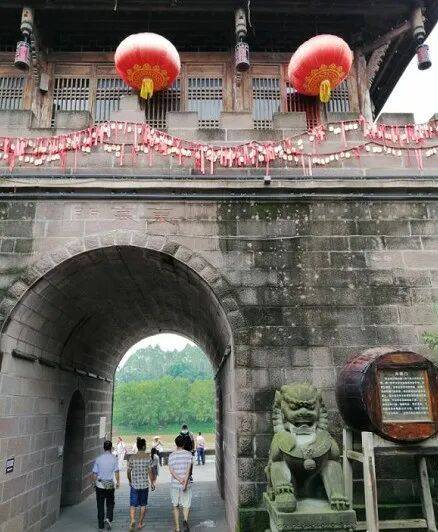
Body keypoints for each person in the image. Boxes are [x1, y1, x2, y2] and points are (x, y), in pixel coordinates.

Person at [127, 437, 155, 531]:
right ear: (143, 446)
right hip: (144, 485)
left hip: (134, 485)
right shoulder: (148, 457)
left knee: (133, 504)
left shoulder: (132, 457)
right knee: (143, 505)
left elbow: (128, 471)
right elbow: (150, 472)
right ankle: (140, 524)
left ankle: (132, 520)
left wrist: (130, 480)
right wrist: (152, 483)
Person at [92, 440, 120, 531]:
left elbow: (95, 473)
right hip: (110, 485)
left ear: (103, 448)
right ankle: (108, 518)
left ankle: (100, 526)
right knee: (110, 503)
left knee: (100, 505)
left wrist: (93, 483)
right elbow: (116, 472)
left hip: (100, 485)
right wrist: (118, 482)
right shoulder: (114, 459)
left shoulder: (98, 459)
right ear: (111, 448)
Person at [168, 435, 193, 532]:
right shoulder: (188, 454)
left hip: (175, 484)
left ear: (176, 444)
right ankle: (185, 520)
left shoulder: (171, 455)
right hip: (186, 484)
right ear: (183, 444)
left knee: (175, 505)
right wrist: (184, 482)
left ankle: (177, 528)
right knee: (186, 505)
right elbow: (188, 471)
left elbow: (172, 471)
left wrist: (179, 480)